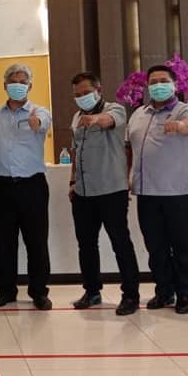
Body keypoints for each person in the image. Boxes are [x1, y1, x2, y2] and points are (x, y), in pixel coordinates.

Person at [127, 64, 188, 314]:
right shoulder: (138, 114)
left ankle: (185, 293)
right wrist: (129, 176)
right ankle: (164, 290)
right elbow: (130, 148)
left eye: (163, 81)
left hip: (178, 191)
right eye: (153, 82)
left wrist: (180, 126)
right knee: (155, 247)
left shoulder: (186, 110)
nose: (158, 86)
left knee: (184, 245)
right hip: (147, 192)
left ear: (174, 85)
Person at [68, 72, 140, 315]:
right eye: (77, 94)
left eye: (86, 92)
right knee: (86, 245)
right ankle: (92, 291)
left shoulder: (114, 109)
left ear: (98, 90)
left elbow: (109, 121)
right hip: (83, 192)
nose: (82, 97)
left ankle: (130, 295)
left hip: (111, 190)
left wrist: (96, 119)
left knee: (120, 243)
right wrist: (72, 181)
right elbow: (76, 152)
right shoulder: (76, 117)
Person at [0, 64, 53, 310]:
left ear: (30, 86)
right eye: (13, 81)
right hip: (1, 186)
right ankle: (5, 291)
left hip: (32, 186)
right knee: (4, 242)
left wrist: (35, 122)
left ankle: (39, 292)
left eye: (22, 81)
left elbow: (43, 123)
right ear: (4, 85)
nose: (17, 85)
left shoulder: (39, 111)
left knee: (36, 242)